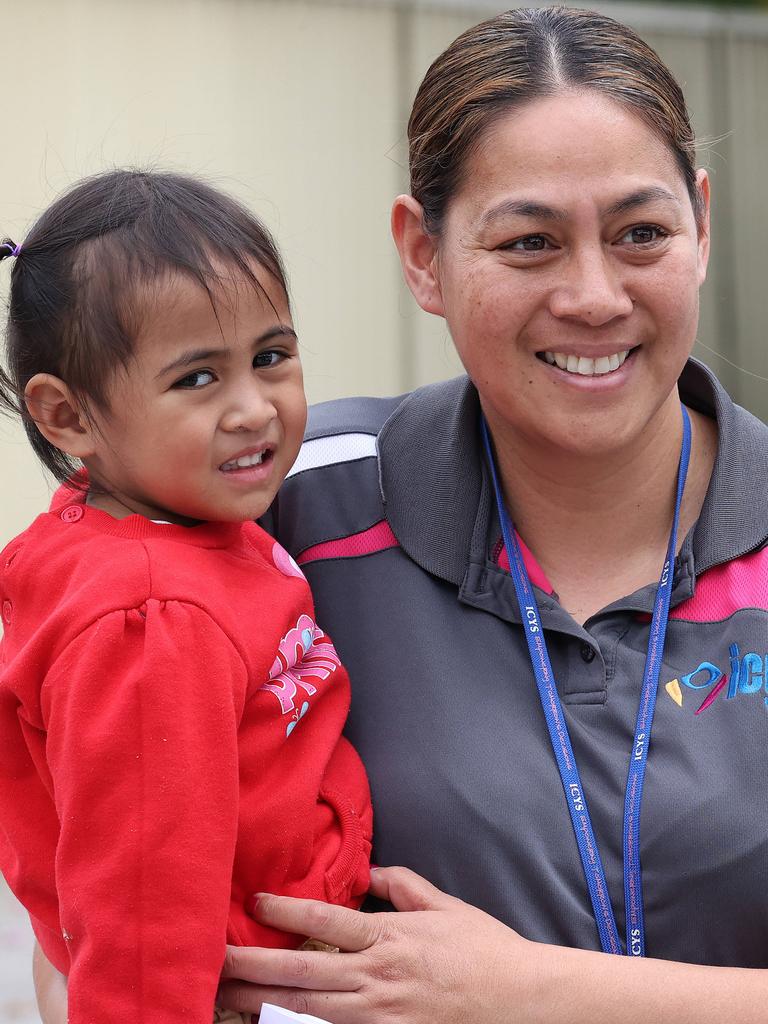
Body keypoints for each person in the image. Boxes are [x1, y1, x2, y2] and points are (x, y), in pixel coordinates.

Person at [36, 6, 768, 1023]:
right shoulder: (284, 506)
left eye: (641, 232)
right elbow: (82, 877)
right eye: (529, 242)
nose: (594, 295)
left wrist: (533, 994)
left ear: (699, 225)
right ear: (421, 254)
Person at [0, 170, 372, 1023]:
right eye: (197, 380)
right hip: (245, 993)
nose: (253, 409)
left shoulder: (152, 528)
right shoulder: (151, 619)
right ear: (67, 418)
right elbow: (140, 892)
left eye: (271, 358)